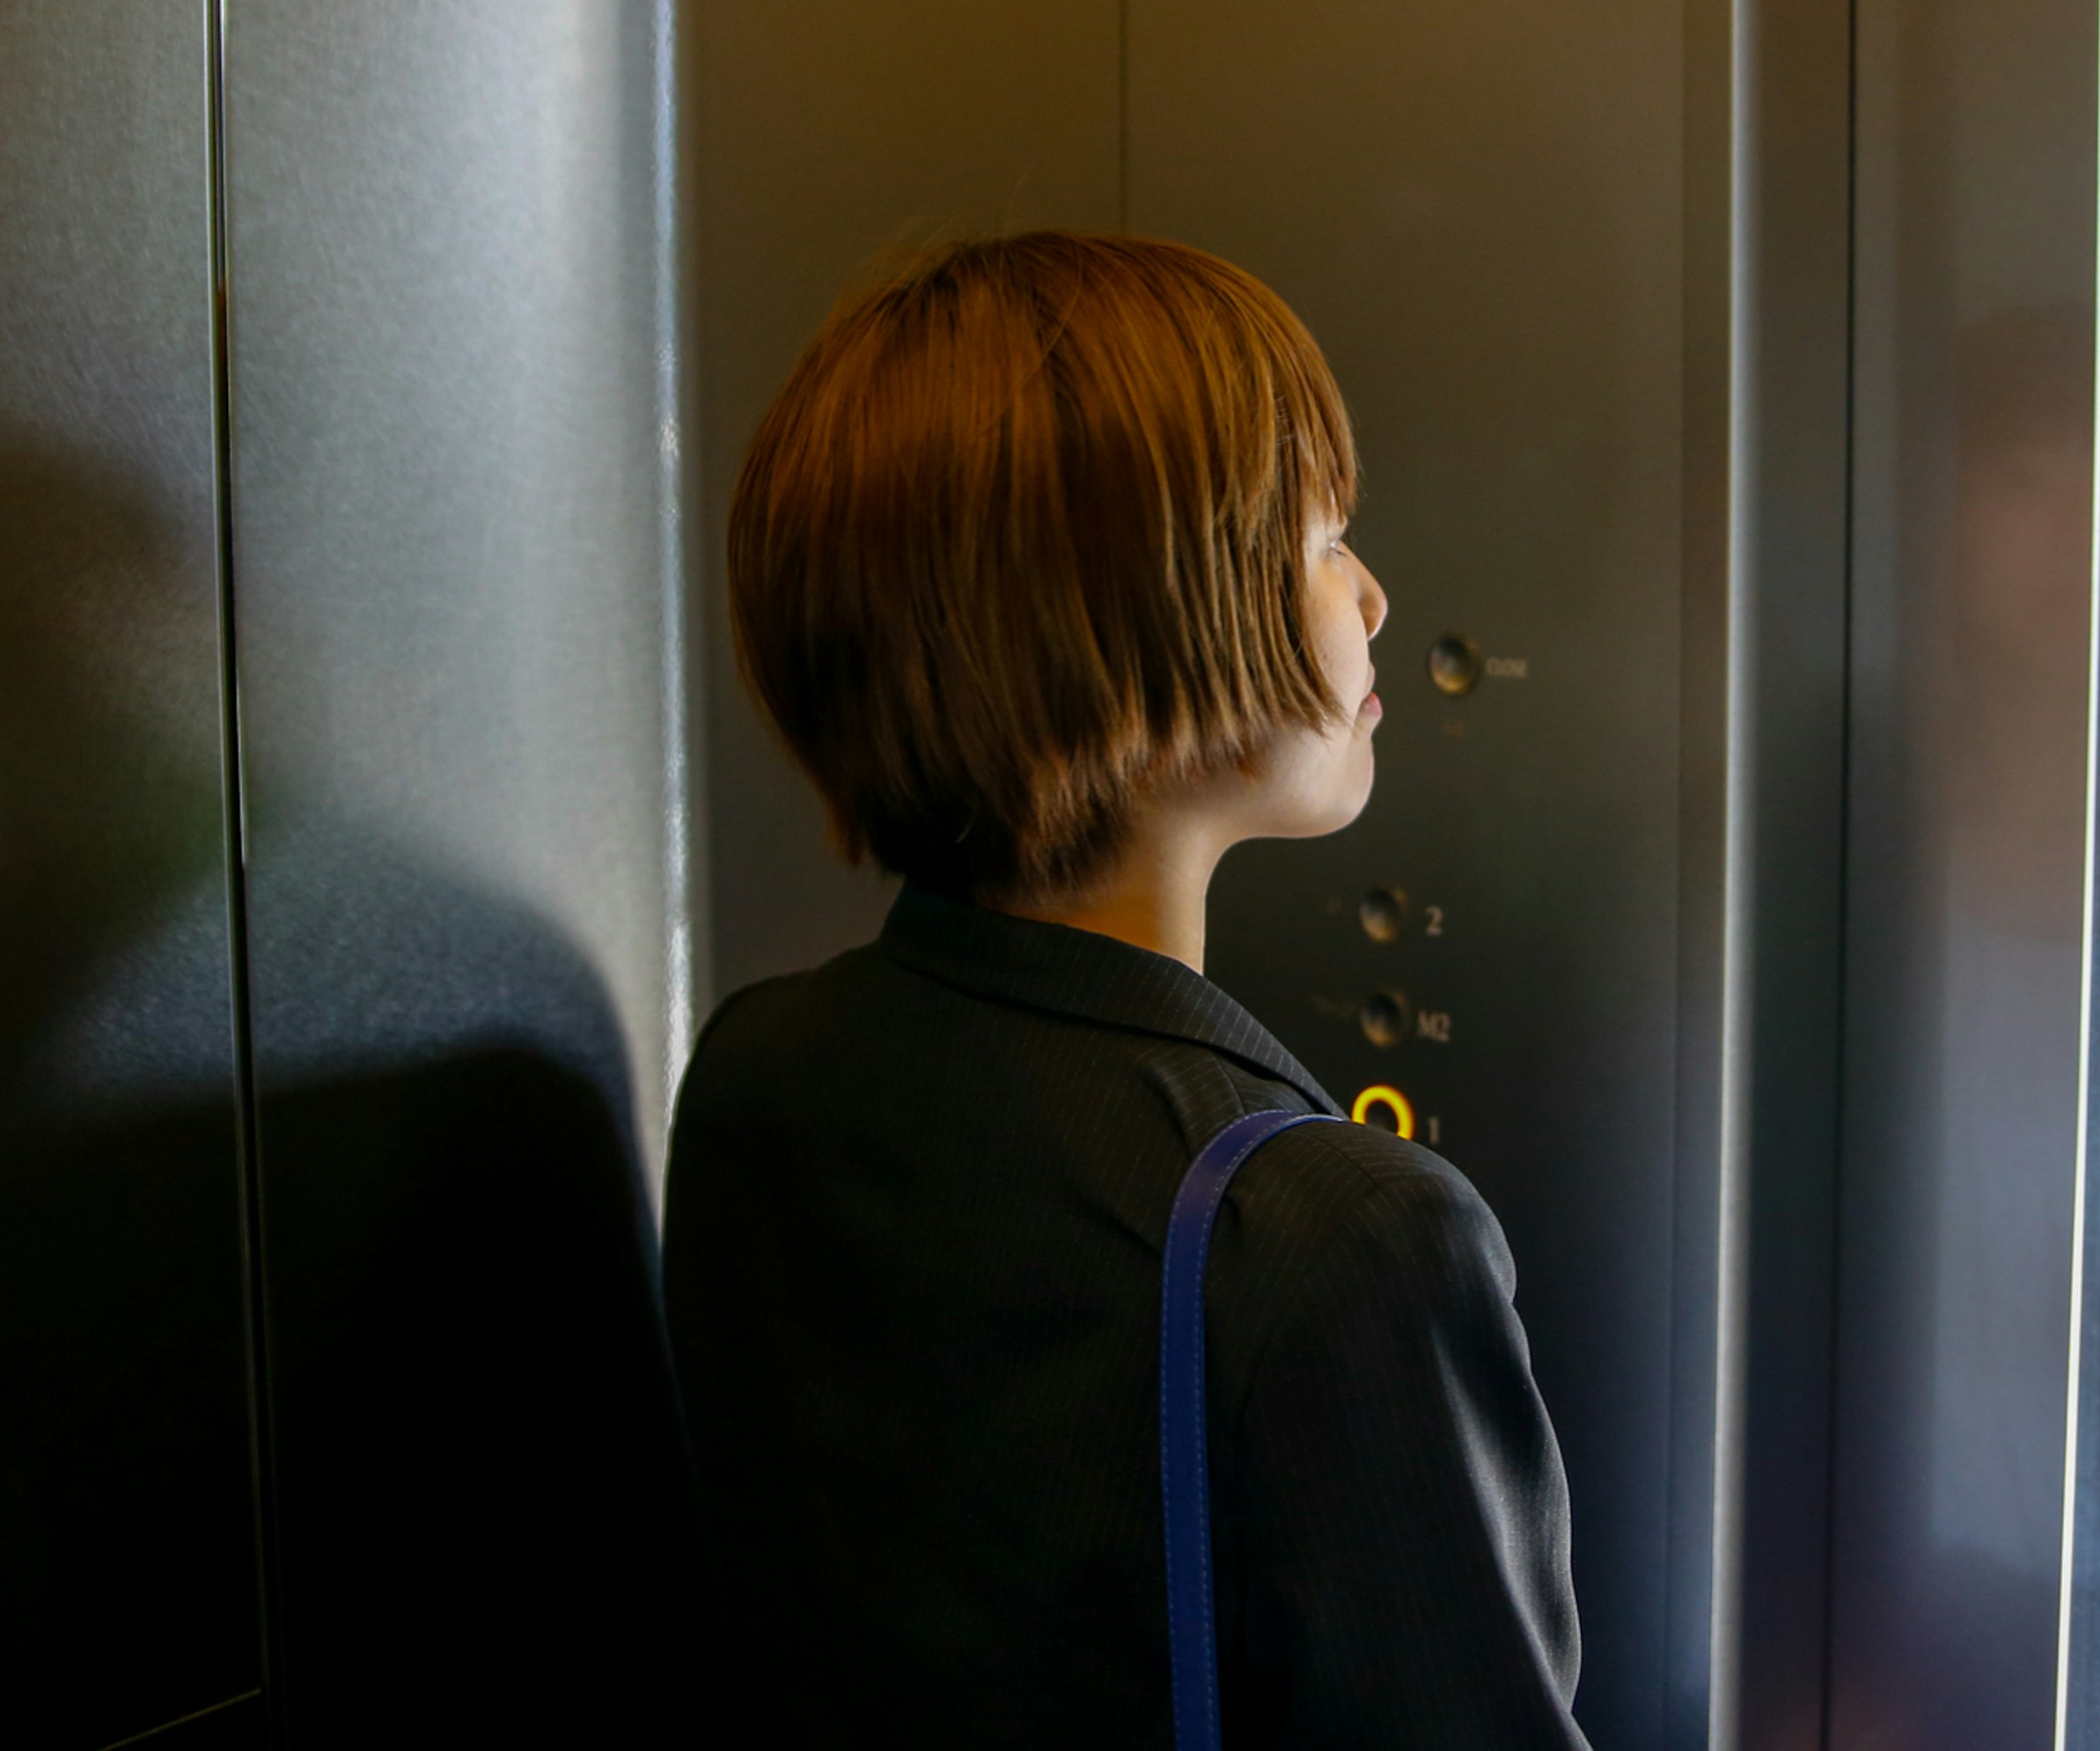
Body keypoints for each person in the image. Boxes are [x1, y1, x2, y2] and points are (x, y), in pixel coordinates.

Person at [664, 232, 1589, 1747]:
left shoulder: (762, 1068)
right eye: (1317, 541)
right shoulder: (1344, 1240)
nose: (1368, 596)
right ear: (1127, 626)